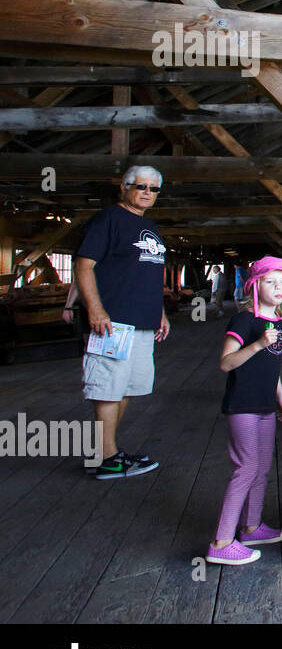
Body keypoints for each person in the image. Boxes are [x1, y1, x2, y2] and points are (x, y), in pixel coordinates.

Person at [73, 166, 169, 480]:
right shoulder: (107, 220)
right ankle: (107, 458)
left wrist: (161, 312)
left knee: (125, 388)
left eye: (154, 188)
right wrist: (96, 310)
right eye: (140, 186)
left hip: (142, 324)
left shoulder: (149, 226)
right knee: (107, 389)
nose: (147, 192)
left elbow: (148, 275)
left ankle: (107, 451)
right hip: (114, 324)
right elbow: (84, 265)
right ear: (124, 187)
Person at [205, 256, 282, 566]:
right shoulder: (244, 320)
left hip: (265, 406)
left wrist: (281, 396)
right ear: (255, 286)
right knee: (245, 468)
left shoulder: (280, 322)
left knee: (260, 467)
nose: (279, 287)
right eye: (270, 281)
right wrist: (257, 343)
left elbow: (271, 367)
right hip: (242, 406)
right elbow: (225, 363)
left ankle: (252, 527)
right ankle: (221, 542)